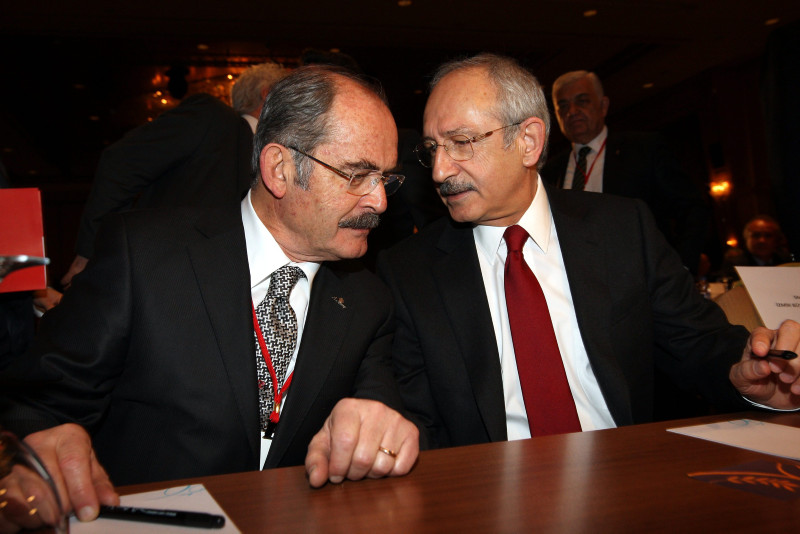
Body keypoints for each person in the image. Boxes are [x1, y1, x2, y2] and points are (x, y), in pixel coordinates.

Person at [1, 65, 419, 528]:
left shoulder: (368, 300)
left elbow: (379, 412)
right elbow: (33, 404)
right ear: (279, 169)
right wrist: (42, 442)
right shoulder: (144, 256)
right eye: (357, 175)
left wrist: (384, 430)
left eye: (385, 178)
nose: (380, 201)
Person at [376, 53, 800, 450]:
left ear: (528, 141)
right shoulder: (409, 271)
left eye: (461, 142)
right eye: (432, 149)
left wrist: (751, 373)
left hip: (628, 470)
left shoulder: (623, 229)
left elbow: (699, 342)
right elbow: (417, 422)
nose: (440, 171)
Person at [60, 62, 287, 288]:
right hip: (159, 282)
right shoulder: (212, 119)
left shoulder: (278, 157)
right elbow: (121, 162)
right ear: (267, 95)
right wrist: (90, 253)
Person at [540, 70, 708, 275]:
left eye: (582, 101)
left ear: (603, 106)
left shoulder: (643, 150)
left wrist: (681, 268)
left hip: (642, 277)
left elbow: (692, 210)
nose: (572, 111)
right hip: (577, 280)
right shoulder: (549, 170)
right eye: (563, 106)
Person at [720, 215, 793, 279]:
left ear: (776, 239)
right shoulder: (735, 265)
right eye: (756, 235)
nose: (762, 240)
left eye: (768, 235)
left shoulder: (785, 261)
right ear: (746, 238)